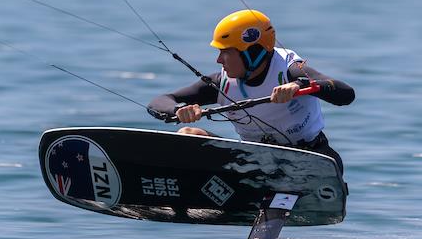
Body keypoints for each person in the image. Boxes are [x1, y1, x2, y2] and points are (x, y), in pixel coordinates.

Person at [148, 9, 355, 173]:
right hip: (254, 163)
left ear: (252, 53)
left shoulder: (290, 70)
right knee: (188, 134)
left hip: (311, 158)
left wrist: (299, 86)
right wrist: (178, 109)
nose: (219, 60)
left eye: (225, 52)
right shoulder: (221, 82)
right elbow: (159, 101)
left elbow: (346, 94)